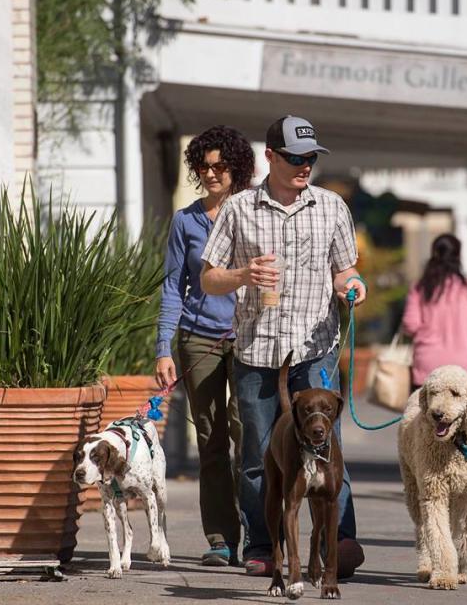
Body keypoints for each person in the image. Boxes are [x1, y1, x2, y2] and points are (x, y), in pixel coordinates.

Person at [200, 115, 368, 579]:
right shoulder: (238, 209)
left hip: (316, 348)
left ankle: (337, 543)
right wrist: (243, 275)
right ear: (270, 157)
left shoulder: (332, 205)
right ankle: (263, 545)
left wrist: (352, 285)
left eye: (311, 157)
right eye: (295, 157)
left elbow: (344, 269)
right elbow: (208, 277)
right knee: (257, 453)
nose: (305, 166)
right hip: (256, 352)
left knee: (326, 445)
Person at [154, 125, 255, 567]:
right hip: (199, 340)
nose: (212, 174)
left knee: (249, 435)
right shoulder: (186, 221)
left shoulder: (254, 212)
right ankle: (220, 539)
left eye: (220, 166)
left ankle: (259, 536)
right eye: (204, 166)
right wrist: (163, 347)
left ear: (237, 168)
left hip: (252, 339)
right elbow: (174, 286)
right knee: (211, 441)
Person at [400, 234, 467, 392]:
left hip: (427, 367)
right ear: (458, 256)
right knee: (464, 415)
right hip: (465, 368)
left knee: (424, 415)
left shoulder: (420, 288)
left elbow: (410, 325)